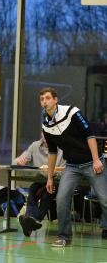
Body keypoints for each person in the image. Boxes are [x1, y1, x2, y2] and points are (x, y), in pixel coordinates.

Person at [40, 87, 107, 247]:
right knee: (61, 199)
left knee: (105, 200)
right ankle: (64, 237)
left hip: (92, 162)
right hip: (72, 166)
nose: (44, 101)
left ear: (55, 100)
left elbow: (89, 135)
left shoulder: (72, 112)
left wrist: (96, 160)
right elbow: (52, 152)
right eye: (42, 99)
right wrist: (50, 177)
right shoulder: (46, 125)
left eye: (48, 98)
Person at [14, 133, 66, 237]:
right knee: (32, 189)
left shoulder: (62, 148)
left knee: (48, 192)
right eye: (44, 133)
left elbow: (65, 170)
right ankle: (31, 221)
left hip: (56, 180)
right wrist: (19, 162)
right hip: (40, 180)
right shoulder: (35, 145)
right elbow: (16, 160)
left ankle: (30, 221)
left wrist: (51, 172)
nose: (46, 136)